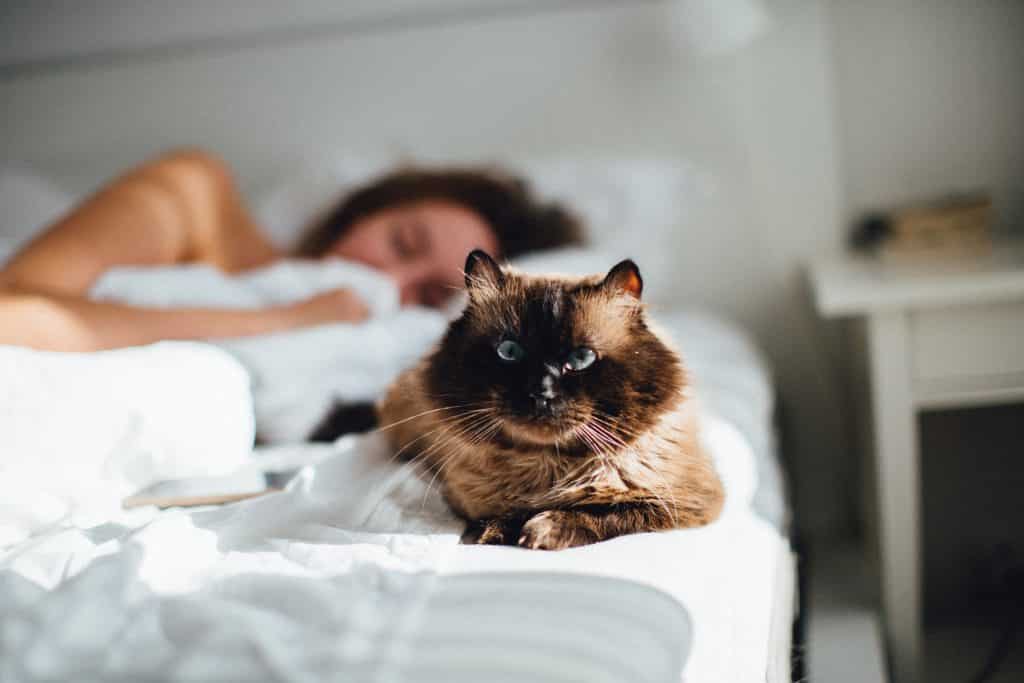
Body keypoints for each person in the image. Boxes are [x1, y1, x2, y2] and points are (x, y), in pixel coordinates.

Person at [0, 149, 581, 352]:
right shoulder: (193, 195)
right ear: (367, 209)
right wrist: (284, 320)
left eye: (428, 294)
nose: (389, 278)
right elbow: (11, 314)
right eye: (402, 242)